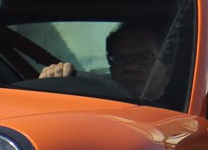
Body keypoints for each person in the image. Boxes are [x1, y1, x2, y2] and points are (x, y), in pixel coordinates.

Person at [39, 22, 174, 103]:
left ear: (167, 72)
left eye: (143, 57)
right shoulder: (94, 105)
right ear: (111, 68)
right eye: (121, 58)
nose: (130, 66)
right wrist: (50, 86)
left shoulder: (182, 117)